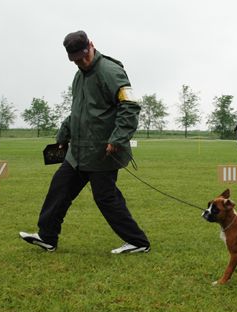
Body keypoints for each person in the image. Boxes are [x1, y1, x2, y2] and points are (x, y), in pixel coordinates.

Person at [19, 30, 150, 254]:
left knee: (106, 198)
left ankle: (138, 242)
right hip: (78, 152)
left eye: (83, 56)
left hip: (103, 152)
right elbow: (78, 112)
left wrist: (117, 139)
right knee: (59, 189)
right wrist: (63, 134)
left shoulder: (111, 71)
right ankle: (47, 237)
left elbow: (129, 107)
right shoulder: (79, 76)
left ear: (91, 45)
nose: (81, 62)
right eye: (75, 60)